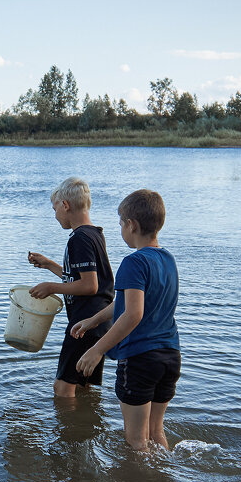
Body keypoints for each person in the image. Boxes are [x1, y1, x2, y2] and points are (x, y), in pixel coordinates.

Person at [71, 189, 180, 452]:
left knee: (136, 441)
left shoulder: (134, 262)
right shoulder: (168, 259)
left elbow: (133, 314)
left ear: (131, 225)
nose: (120, 228)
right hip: (170, 356)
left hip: (141, 359)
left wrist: (97, 350)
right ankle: (166, 481)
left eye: (121, 223)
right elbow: (130, 305)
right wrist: (93, 320)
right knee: (155, 433)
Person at [27, 177, 114, 398]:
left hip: (84, 323)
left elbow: (89, 285)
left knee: (62, 387)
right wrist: (49, 265)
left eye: (54, 207)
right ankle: (88, 426)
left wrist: (51, 287)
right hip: (100, 321)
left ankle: (68, 431)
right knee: (83, 385)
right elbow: (81, 279)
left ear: (65, 205)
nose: (55, 213)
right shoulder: (94, 233)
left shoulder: (79, 239)